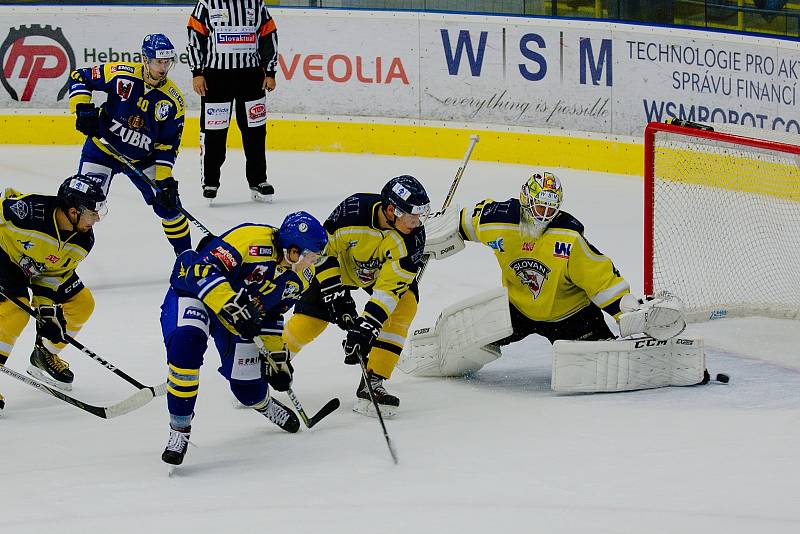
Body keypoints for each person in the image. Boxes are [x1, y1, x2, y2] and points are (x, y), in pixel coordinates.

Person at [408, 171, 689, 380]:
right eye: (538, 207)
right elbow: (459, 222)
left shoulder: (567, 236)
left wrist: (625, 312)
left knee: (601, 362)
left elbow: (601, 279)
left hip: (572, 316)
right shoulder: (497, 219)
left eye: (550, 209)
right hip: (517, 310)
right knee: (470, 343)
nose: (543, 215)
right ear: (525, 200)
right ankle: (435, 352)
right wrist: (432, 232)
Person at [160, 211, 327, 466]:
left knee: (247, 390)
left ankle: (264, 404)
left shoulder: (301, 278)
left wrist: (277, 361)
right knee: (186, 347)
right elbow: (200, 270)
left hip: (237, 317)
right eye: (310, 256)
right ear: (293, 250)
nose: (312, 264)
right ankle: (179, 431)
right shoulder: (251, 240)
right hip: (194, 295)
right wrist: (232, 305)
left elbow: (272, 316)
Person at [282, 175, 431, 418]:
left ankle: (373, 380)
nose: (416, 222)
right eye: (411, 216)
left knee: (404, 305)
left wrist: (368, 326)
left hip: (379, 278)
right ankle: (268, 365)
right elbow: (321, 251)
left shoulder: (412, 239)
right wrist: (334, 293)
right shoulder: (353, 211)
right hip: (338, 269)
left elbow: (391, 287)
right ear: (391, 209)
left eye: (420, 216)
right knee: (311, 320)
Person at [68, 33, 189, 255]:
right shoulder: (120, 74)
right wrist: (82, 108)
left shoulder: (173, 101)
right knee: (83, 205)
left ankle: (187, 259)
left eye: (167, 62)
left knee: (169, 207)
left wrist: (164, 179)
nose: (163, 68)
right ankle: (64, 258)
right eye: (157, 62)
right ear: (145, 59)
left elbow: (166, 146)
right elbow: (79, 76)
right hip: (101, 151)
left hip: (142, 159)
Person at [0, 175, 107, 411]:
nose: (97, 217)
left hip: (35, 268)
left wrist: (47, 314)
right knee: (15, 313)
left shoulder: (83, 241)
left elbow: (51, 277)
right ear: (72, 211)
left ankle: (44, 355)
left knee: (83, 303)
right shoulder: (27, 212)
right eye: (92, 212)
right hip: (4, 257)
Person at [187, 0, 279, 203]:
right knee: (214, 132)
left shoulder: (255, 3)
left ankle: (258, 180)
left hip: (251, 76)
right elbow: (195, 37)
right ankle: (210, 181)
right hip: (216, 78)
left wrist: (270, 71)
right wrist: (197, 72)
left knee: (255, 130)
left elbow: (268, 35)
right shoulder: (207, 3)